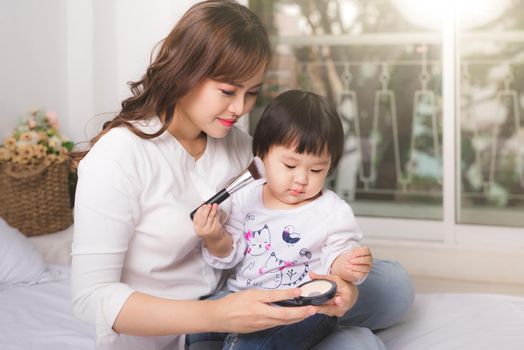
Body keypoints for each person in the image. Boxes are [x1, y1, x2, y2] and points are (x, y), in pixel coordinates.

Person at [70, 1, 414, 350]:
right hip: (183, 328)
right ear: (184, 72)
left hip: (252, 295)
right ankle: (328, 331)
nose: (240, 109)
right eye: (228, 91)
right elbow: (90, 297)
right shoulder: (118, 157)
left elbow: (287, 210)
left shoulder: (238, 146)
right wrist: (218, 315)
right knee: (357, 346)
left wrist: (343, 282)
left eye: (251, 93)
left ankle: (321, 323)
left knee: (392, 286)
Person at [190, 90, 373, 350]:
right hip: (241, 296)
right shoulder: (246, 197)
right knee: (196, 328)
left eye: (316, 170)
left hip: (302, 306)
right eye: (290, 166)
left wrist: (349, 265)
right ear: (262, 156)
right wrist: (214, 236)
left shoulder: (332, 211)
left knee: (253, 344)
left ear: (330, 166)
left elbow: (337, 258)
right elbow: (229, 255)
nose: (301, 178)